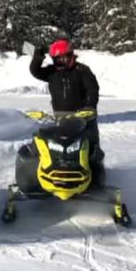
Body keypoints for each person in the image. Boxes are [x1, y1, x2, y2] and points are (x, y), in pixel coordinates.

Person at [30, 38, 104, 181]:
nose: (61, 62)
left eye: (63, 58)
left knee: (92, 150)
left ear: (70, 55)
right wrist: (37, 57)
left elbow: (92, 90)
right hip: (61, 117)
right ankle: (58, 177)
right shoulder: (52, 72)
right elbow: (36, 71)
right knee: (60, 148)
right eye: (57, 59)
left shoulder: (82, 70)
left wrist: (89, 107)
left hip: (83, 117)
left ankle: (97, 182)